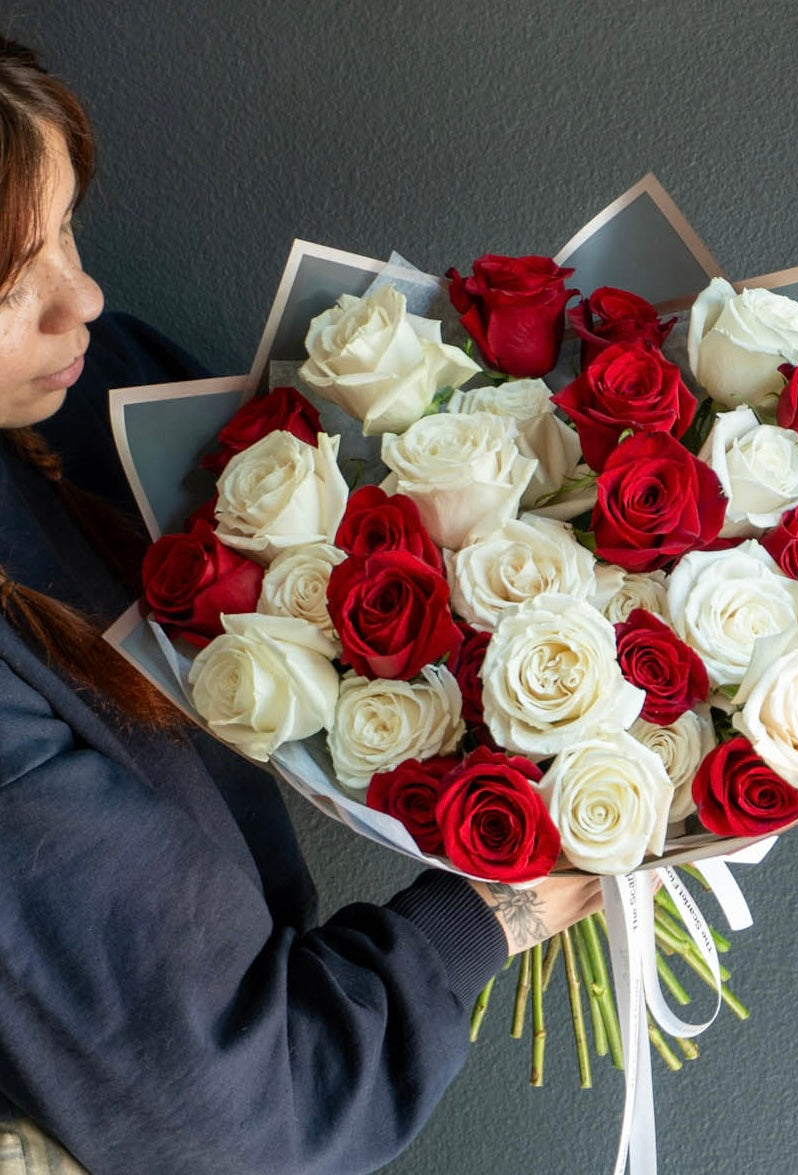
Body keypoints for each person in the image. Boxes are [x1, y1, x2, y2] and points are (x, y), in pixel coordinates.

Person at [0, 39, 601, 1175]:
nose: (82, 293)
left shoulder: (98, 378)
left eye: (67, 226)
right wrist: (491, 911)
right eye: (7, 281)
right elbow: (229, 1112)